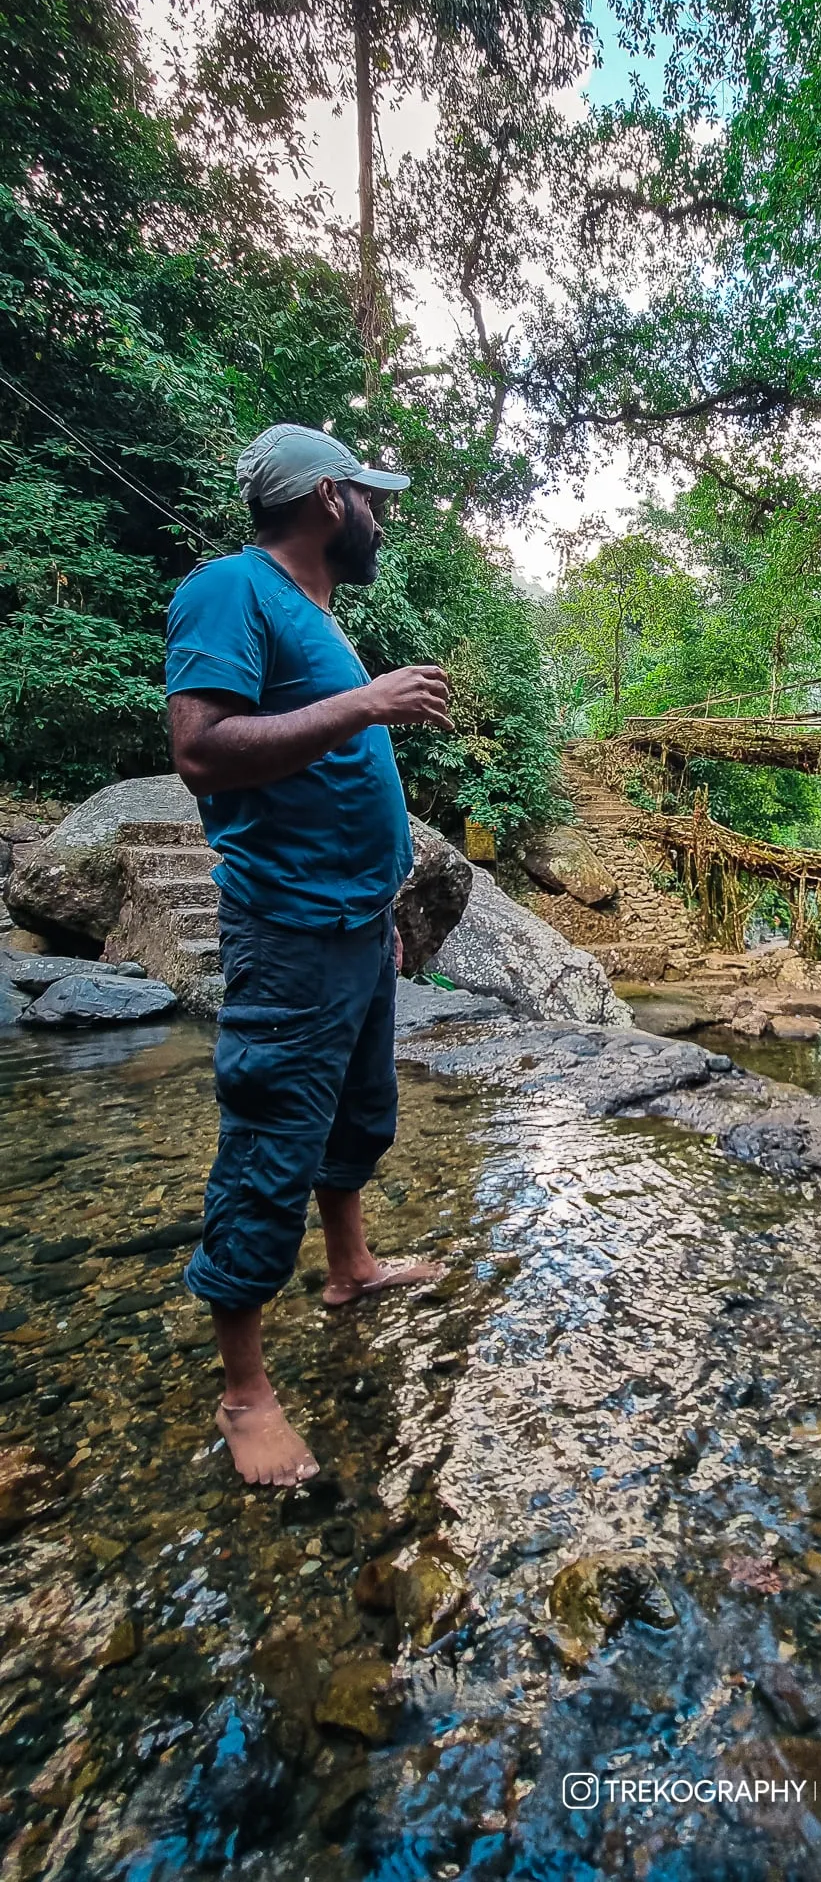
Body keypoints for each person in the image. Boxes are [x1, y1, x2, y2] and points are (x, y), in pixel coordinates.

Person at [166, 423, 455, 1488]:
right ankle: (245, 1394)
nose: (381, 515)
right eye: (371, 497)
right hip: (287, 930)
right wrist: (368, 703)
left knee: (358, 1115)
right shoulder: (228, 589)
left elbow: (325, 773)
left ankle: (350, 1267)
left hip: (354, 925)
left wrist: (382, 908)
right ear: (330, 499)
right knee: (268, 1140)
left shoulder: (314, 615)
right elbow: (201, 750)